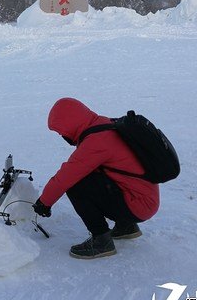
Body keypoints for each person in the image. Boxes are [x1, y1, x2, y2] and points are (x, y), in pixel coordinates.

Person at [32, 98, 160, 259]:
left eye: (61, 131)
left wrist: (44, 203)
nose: (62, 135)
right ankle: (126, 226)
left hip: (139, 204)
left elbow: (66, 176)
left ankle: (101, 241)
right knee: (91, 174)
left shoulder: (97, 141)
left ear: (70, 123)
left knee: (76, 184)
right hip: (142, 197)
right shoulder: (105, 125)